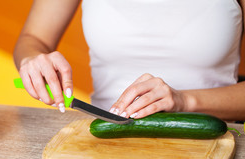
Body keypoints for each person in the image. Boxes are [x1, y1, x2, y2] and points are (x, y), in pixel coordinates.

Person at [13, 0, 245, 122]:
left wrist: (185, 101)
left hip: (215, 144)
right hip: (104, 141)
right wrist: (31, 60)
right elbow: (33, 39)